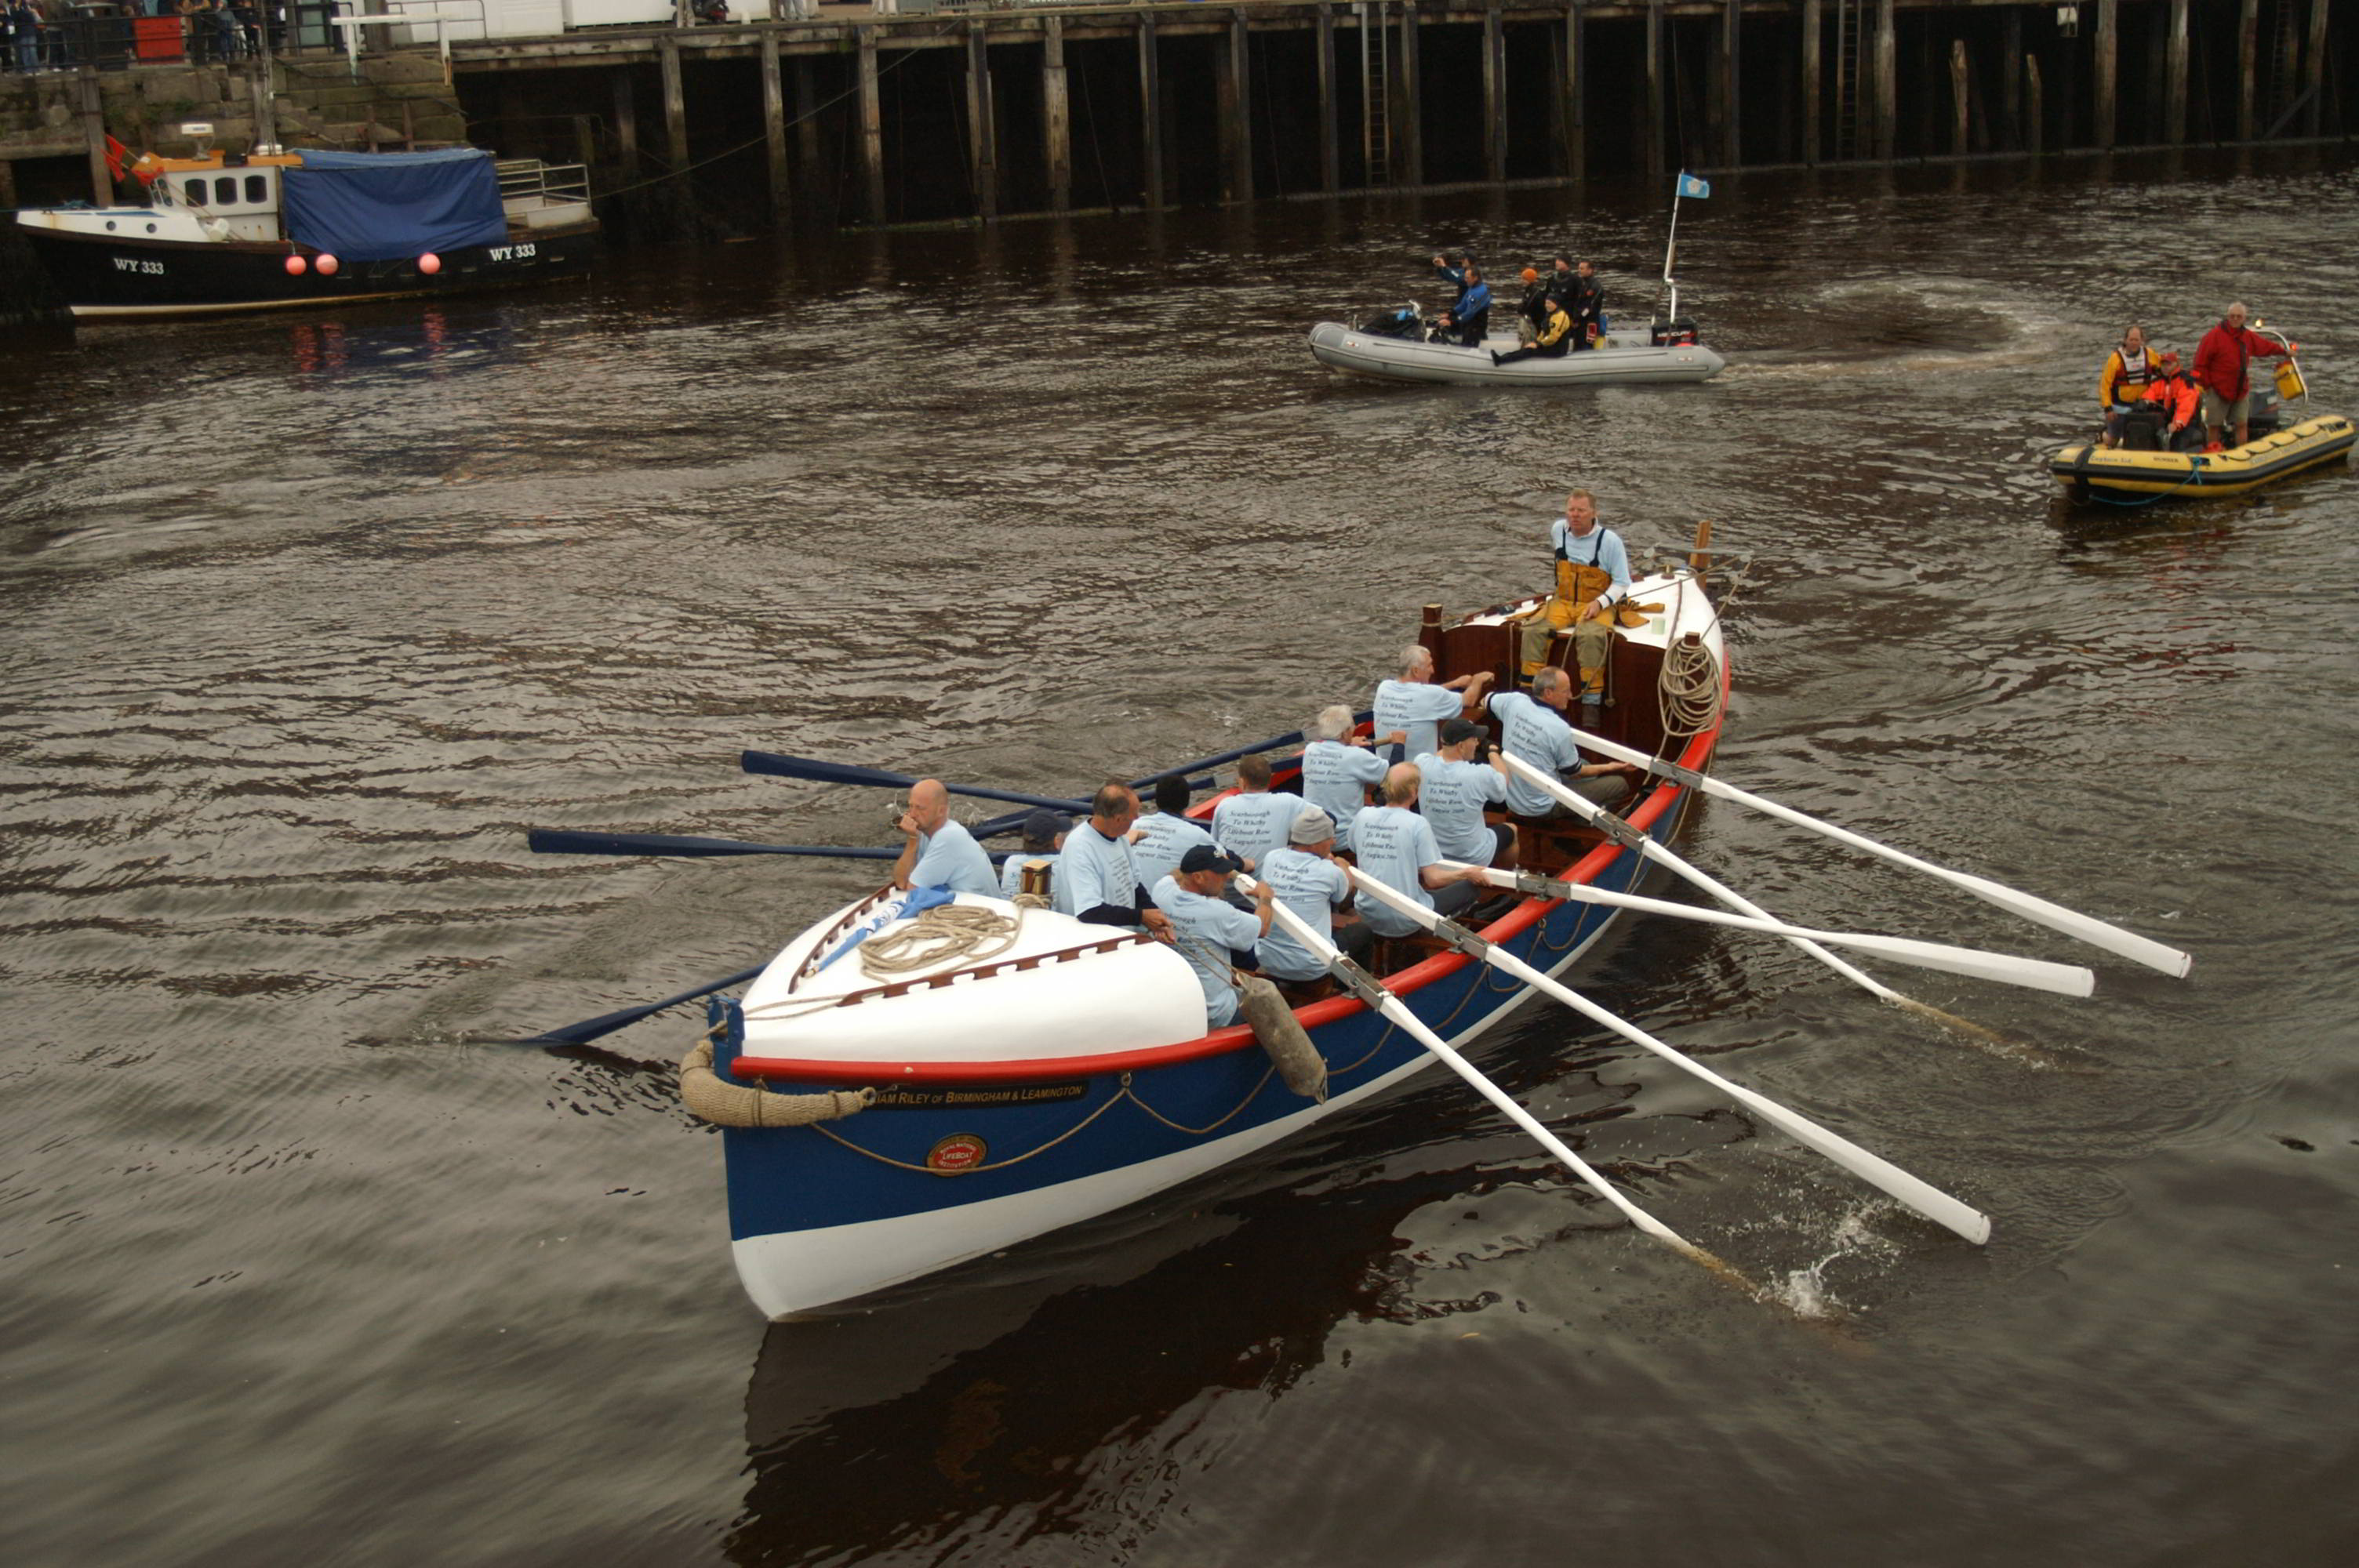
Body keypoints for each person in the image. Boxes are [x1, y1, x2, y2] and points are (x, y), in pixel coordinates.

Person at [1349, 764, 1489, 939]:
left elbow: (1356, 848)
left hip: (1367, 912)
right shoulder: (1417, 823)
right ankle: (1429, 934)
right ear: (1414, 792)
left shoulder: (1363, 815)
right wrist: (1467, 873)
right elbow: (1434, 879)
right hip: (1407, 918)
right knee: (1471, 888)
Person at [1517, 488, 1632, 699]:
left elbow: (1623, 582)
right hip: (1563, 602)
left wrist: (1600, 603)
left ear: (1594, 513)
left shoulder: (1610, 541)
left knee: (1591, 636)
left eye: (1581, 510)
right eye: (1571, 510)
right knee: (1532, 630)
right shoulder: (1557, 530)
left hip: (1595, 604)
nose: (1575, 515)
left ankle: (1591, 700)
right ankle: (1530, 693)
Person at [1149, 844, 1274, 1029]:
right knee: (1270, 1009)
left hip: (1174, 1008)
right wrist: (1265, 897)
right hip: (1214, 1014)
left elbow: (1176, 874)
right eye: (1219, 872)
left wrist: (1224, 871)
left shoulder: (1162, 890)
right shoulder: (1218, 912)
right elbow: (1262, 928)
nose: (1225, 877)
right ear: (1198, 877)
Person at [1488, 668, 1641, 817]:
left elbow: (1486, 700)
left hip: (1513, 798)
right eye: (1566, 691)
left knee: (1585, 764)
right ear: (1548, 693)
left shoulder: (1514, 701)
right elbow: (1577, 773)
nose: (1571, 695)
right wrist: (1611, 767)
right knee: (1619, 784)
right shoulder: (1558, 728)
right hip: (1543, 806)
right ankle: (1580, 825)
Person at [1252, 805, 1372, 993]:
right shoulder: (1330, 871)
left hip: (1267, 958)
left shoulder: (1271, 858)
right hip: (1312, 965)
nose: (1333, 840)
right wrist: (1343, 864)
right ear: (1314, 843)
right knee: (1363, 932)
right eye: (1329, 837)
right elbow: (1345, 894)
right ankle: (1348, 991)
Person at [1056, 782, 1173, 936]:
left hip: (1120, 936)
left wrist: (1154, 916)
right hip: (1090, 942)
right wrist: (1141, 917)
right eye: (1134, 814)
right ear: (1118, 819)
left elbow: (1135, 885)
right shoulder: (1080, 848)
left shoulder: (1120, 838)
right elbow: (1089, 911)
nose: (1137, 818)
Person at [2194, 302, 2295, 452]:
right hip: (2217, 390)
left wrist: (2284, 352)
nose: (2235, 319)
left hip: (2240, 390)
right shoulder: (2213, 337)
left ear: (2244, 318)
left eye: (2239, 316)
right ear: (2228, 317)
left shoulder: (2247, 336)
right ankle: (2212, 453)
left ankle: (2242, 453)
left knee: (2242, 424)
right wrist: (2208, 386)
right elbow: (2199, 365)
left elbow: (2265, 346)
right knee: (2215, 425)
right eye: (2232, 316)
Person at [1416, 717, 1515, 868]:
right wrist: (1493, 753)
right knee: (1512, 831)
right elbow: (1501, 787)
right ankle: (1507, 880)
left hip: (1433, 853)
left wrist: (1452, 744)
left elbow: (1440, 754)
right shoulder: (1481, 774)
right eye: (1474, 740)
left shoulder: (1422, 763)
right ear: (1461, 746)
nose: (1476, 743)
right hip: (1472, 857)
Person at [1375, 644, 1492, 765]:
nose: (1433, 670)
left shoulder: (1384, 687)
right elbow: (1469, 700)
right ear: (1415, 671)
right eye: (1429, 665)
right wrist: (1479, 679)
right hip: (1419, 773)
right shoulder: (1430, 695)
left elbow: (1424, 696)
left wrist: (1454, 684)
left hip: (1386, 769)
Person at [1297, 703, 1390, 851]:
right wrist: (1399, 743)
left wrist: (1349, 744)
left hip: (1312, 837)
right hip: (1344, 841)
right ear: (1344, 733)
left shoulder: (1311, 750)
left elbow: (1336, 752)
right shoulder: (1356, 756)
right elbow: (1391, 774)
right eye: (1351, 729)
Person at [889, 779, 1001, 898]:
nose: (912, 814)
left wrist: (912, 839)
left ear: (941, 811)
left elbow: (912, 890)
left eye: (920, 808)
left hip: (982, 910)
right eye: (911, 806)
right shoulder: (925, 833)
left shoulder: (948, 837)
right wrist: (912, 839)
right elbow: (902, 882)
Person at [1129, 772, 1213, 891]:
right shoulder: (1197, 835)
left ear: (1157, 800)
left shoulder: (1134, 825)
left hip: (1132, 902)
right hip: (1166, 905)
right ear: (1186, 802)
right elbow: (1225, 861)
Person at [1211, 753, 1293, 870]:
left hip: (1230, 883)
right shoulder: (1288, 801)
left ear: (1243, 782)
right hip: (1269, 882)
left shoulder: (1225, 805)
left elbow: (1214, 845)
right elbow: (1324, 817)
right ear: (1270, 779)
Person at [2096, 324, 2161, 449]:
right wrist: (2108, 408)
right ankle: (2103, 435)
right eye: (2131, 340)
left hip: (2142, 407)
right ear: (2125, 340)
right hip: (2120, 407)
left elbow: (2163, 369)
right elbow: (2105, 384)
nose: (2134, 343)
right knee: (2112, 441)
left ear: (2142, 341)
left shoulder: (2150, 354)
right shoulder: (2115, 359)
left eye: (2136, 340)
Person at [2127, 350, 2202, 452]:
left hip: (2187, 425)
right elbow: (2149, 397)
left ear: (2177, 364)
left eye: (2168, 364)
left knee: (2179, 443)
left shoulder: (2185, 382)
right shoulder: (2157, 383)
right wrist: (2143, 404)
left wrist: (2177, 424)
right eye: (2163, 364)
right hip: (2166, 424)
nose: (2165, 367)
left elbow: (2185, 407)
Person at [998, 808, 1070, 903]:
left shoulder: (1011, 862)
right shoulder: (1064, 865)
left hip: (1010, 915)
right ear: (1056, 840)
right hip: (1049, 917)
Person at [1492, 295, 1575, 367]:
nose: (1546, 305)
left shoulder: (1560, 316)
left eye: (1549, 303)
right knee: (1527, 348)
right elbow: (1543, 332)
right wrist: (1535, 342)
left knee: (1529, 351)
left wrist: (1538, 344)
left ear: (1556, 304)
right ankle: (1503, 358)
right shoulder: (1550, 314)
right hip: (1549, 346)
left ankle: (1501, 360)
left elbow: (1553, 337)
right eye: (1546, 303)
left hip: (1557, 349)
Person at [1430, 253, 1490, 348]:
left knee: (1467, 330)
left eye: (1467, 278)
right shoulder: (1471, 287)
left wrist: (1452, 321)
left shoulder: (1480, 292)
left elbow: (1470, 313)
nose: (1465, 280)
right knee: (1445, 323)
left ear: (1475, 278)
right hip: (1467, 321)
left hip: (1476, 326)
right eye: (1465, 278)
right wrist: (1450, 314)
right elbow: (1462, 305)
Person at [1564, 260, 1604, 350]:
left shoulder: (1595, 286)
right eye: (1579, 268)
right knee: (1577, 345)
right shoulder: (1582, 283)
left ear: (1590, 270)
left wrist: (1578, 319)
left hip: (1590, 322)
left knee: (1586, 347)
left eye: (1582, 268)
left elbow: (1590, 307)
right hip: (1579, 322)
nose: (1579, 270)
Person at [1514, 266, 1549, 343]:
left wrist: (1520, 309)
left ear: (1529, 280)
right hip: (1533, 319)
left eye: (1524, 279)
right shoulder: (1529, 291)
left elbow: (1528, 306)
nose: (1521, 281)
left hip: (1535, 321)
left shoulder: (1534, 292)